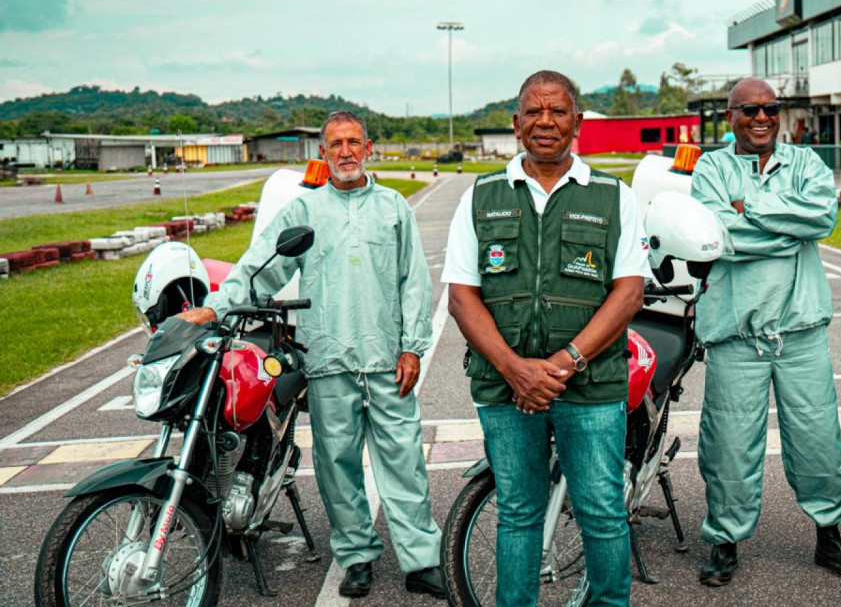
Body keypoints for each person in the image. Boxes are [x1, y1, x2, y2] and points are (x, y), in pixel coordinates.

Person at [177, 111, 444, 600]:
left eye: (354, 142)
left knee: (404, 462)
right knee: (336, 466)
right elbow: (259, 266)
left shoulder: (392, 208)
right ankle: (357, 556)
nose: (345, 151)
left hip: (386, 361)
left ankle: (423, 561)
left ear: (369, 149)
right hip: (328, 362)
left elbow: (414, 282)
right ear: (323, 153)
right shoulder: (304, 211)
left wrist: (412, 348)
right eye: (335, 144)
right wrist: (214, 308)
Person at [442, 70, 648, 607]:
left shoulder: (613, 196)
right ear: (516, 123)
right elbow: (462, 296)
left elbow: (628, 294)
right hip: (505, 389)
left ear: (577, 122)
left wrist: (563, 362)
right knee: (518, 511)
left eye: (558, 111)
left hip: (591, 388)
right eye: (533, 111)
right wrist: (515, 368)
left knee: (602, 510)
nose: (546, 122)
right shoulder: (481, 197)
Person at [690, 78, 841, 587]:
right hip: (736, 336)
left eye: (770, 108)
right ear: (731, 117)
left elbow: (822, 216)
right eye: (749, 110)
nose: (762, 117)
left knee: (819, 444)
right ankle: (724, 541)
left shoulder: (807, 164)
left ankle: (830, 537)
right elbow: (720, 235)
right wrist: (787, 232)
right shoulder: (711, 169)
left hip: (800, 332)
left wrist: (754, 211)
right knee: (727, 447)